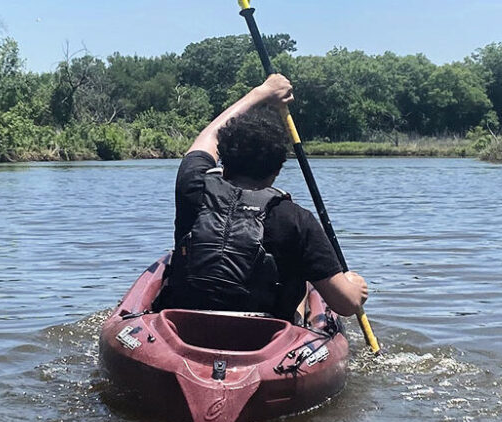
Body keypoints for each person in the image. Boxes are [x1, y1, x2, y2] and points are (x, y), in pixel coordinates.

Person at [157, 74, 368, 322]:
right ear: (277, 170)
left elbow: (211, 136)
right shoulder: (296, 219)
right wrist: (356, 287)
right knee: (299, 274)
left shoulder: (193, 187)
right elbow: (345, 304)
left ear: (224, 159)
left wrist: (263, 92)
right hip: (263, 340)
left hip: (185, 327)